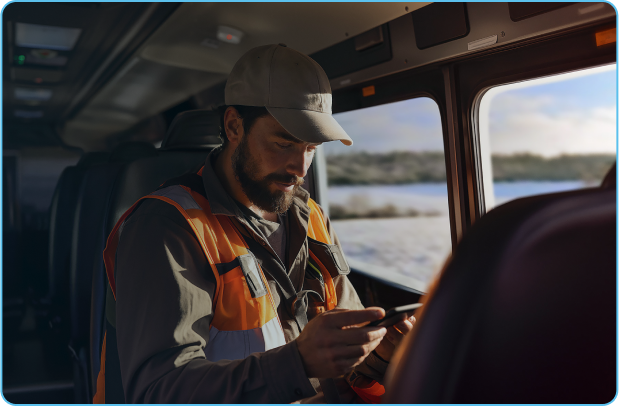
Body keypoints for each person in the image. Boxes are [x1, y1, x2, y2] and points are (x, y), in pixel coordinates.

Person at [93, 44, 415, 404]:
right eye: (284, 143)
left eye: (311, 148)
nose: (300, 168)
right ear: (234, 126)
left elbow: (344, 356)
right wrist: (297, 363)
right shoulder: (166, 228)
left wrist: (378, 358)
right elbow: (159, 392)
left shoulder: (312, 218)